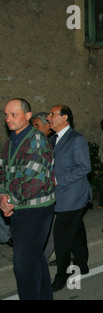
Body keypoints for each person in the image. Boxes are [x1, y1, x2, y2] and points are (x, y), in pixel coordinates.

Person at [0, 98, 55, 299]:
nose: (9, 119)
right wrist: (2, 195)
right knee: (35, 257)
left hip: (36, 209)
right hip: (18, 207)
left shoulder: (37, 140)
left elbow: (36, 178)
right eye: (6, 114)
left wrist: (10, 200)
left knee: (23, 265)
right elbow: (3, 169)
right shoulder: (11, 141)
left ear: (28, 115)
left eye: (14, 114)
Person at [46, 104, 92, 292]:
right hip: (61, 194)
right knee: (76, 231)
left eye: (52, 114)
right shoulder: (52, 139)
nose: (49, 117)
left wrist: (57, 180)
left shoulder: (76, 139)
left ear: (65, 118)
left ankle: (61, 276)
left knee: (61, 236)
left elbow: (84, 167)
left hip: (72, 196)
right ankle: (82, 264)